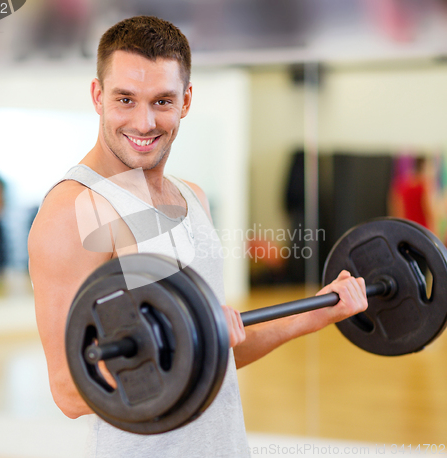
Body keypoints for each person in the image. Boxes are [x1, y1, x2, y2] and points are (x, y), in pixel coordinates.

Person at [28, 16, 367, 458]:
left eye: (162, 100)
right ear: (98, 96)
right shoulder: (72, 210)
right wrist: (182, 345)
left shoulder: (193, 198)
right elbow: (69, 391)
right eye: (125, 99)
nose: (144, 121)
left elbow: (217, 350)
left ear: (186, 101)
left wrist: (319, 312)